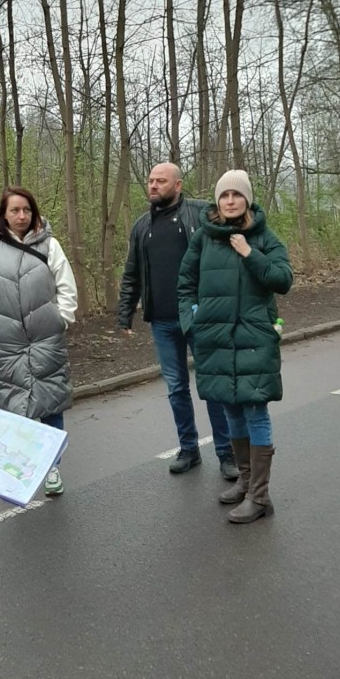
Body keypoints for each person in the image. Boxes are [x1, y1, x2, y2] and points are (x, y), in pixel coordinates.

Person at [177, 170, 293, 523]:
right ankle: (245, 481)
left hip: (254, 338)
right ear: (217, 201)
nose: (230, 201)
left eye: (236, 195)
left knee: (255, 410)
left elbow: (283, 280)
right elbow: (185, 283)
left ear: (247, 199)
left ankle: (260, 496)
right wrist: (192, 322)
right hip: (214, 338)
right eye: (224, 195)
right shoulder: (203, 238)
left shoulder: (264, 237)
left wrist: (249, 253)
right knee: (229, 408)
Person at [117, 163, 237, 479]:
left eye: (161, 181)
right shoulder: (142, 226)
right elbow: (132, 273)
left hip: (200, 317)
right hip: (162, 321)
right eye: (150, 181)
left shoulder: (200, 213)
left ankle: (227, 452)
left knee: (212, 386)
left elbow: (231, 240)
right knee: (176, 389)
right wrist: (125, 312)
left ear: (178, 185)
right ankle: (188, 449)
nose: (153, 185)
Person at [0, 186, 77, 497]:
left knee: (50, 401)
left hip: (45, 336)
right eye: (15, 210)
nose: (21, 216)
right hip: (7, 341)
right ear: (4, 215)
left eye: (26, 210)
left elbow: (66, 286)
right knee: (13, 403)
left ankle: (52, 468)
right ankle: (21, 466)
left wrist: (62, 319)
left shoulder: (50, 245)